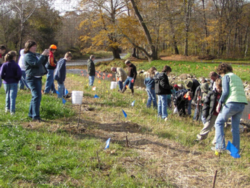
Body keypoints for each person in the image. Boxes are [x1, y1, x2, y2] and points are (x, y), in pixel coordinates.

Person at [213, 63, 247, 152]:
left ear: (221, 72)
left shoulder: (226, 77)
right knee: (235, 128)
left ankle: (220, 147)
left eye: (220, 74)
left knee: (219, 122)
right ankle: (235, 149)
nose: (220, 76)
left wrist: (220, 103)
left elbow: (226, 92)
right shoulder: (237, 77)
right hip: (242, 103)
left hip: (232, 103)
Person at [24, 40, 49, 122]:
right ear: (28, 48)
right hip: (32, 78)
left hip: (38, 77)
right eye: (32, 46)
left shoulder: (35, 55)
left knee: (35, 96)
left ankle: (31, 114)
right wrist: (42, 55)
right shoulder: (28, 56)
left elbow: (42, 63)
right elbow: (35, 64)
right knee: (36, 96)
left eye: (35, 46)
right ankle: (36, 117)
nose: (34, 48)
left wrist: (46, 56)